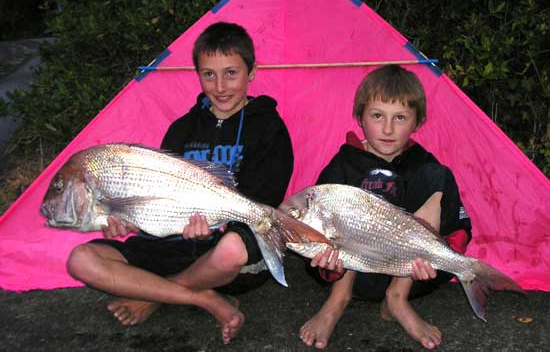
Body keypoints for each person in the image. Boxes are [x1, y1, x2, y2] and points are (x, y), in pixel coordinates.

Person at [66, 22, 294, 344]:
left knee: (230, 250)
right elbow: (159, 198)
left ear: (252, 72)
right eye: (209, 74)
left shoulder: (269, 128)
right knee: (80, 260)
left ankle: (155, 295)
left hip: (225, 253)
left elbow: (264, 198)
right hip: (172, 243)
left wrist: (220, 224)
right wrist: (128, 221)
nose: (220, 85)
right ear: (197, 74)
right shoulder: (181, 129)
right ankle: (202, 297)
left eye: (231, 73)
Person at [299, 64, 471, 350]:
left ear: (417, 122)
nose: (388, 129)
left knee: (436, 175)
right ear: (360, 118)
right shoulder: (344, 164)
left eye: (400, 118)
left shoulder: (424, 166)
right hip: (352, 275)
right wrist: (323, 259)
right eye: (378, 116)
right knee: (348, 193)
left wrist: (436, 253)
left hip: (411, 274)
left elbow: (458, 230)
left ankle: (396, 300)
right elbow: (311, 229)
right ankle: (336, 302)